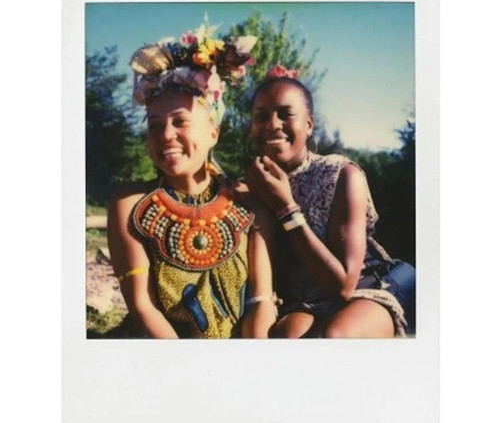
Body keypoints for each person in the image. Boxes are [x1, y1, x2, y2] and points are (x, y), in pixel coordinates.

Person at [107, 23, 276, 339]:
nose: (166, 135)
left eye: (180, 121)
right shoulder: (129, 206)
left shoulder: (248, 201)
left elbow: (261, 301)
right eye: (155, 126)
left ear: (213, 133)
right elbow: (144, 308)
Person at [246, 65, 415, 338]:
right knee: (288, 334)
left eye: (285, 114)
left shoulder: (340, 174)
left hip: (360, 292)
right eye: (261, 116)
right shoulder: (251, 185)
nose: (272, 124)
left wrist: (285, 207)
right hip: (302, 302)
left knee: (337, 336)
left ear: (309, 125)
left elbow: (343, 286)